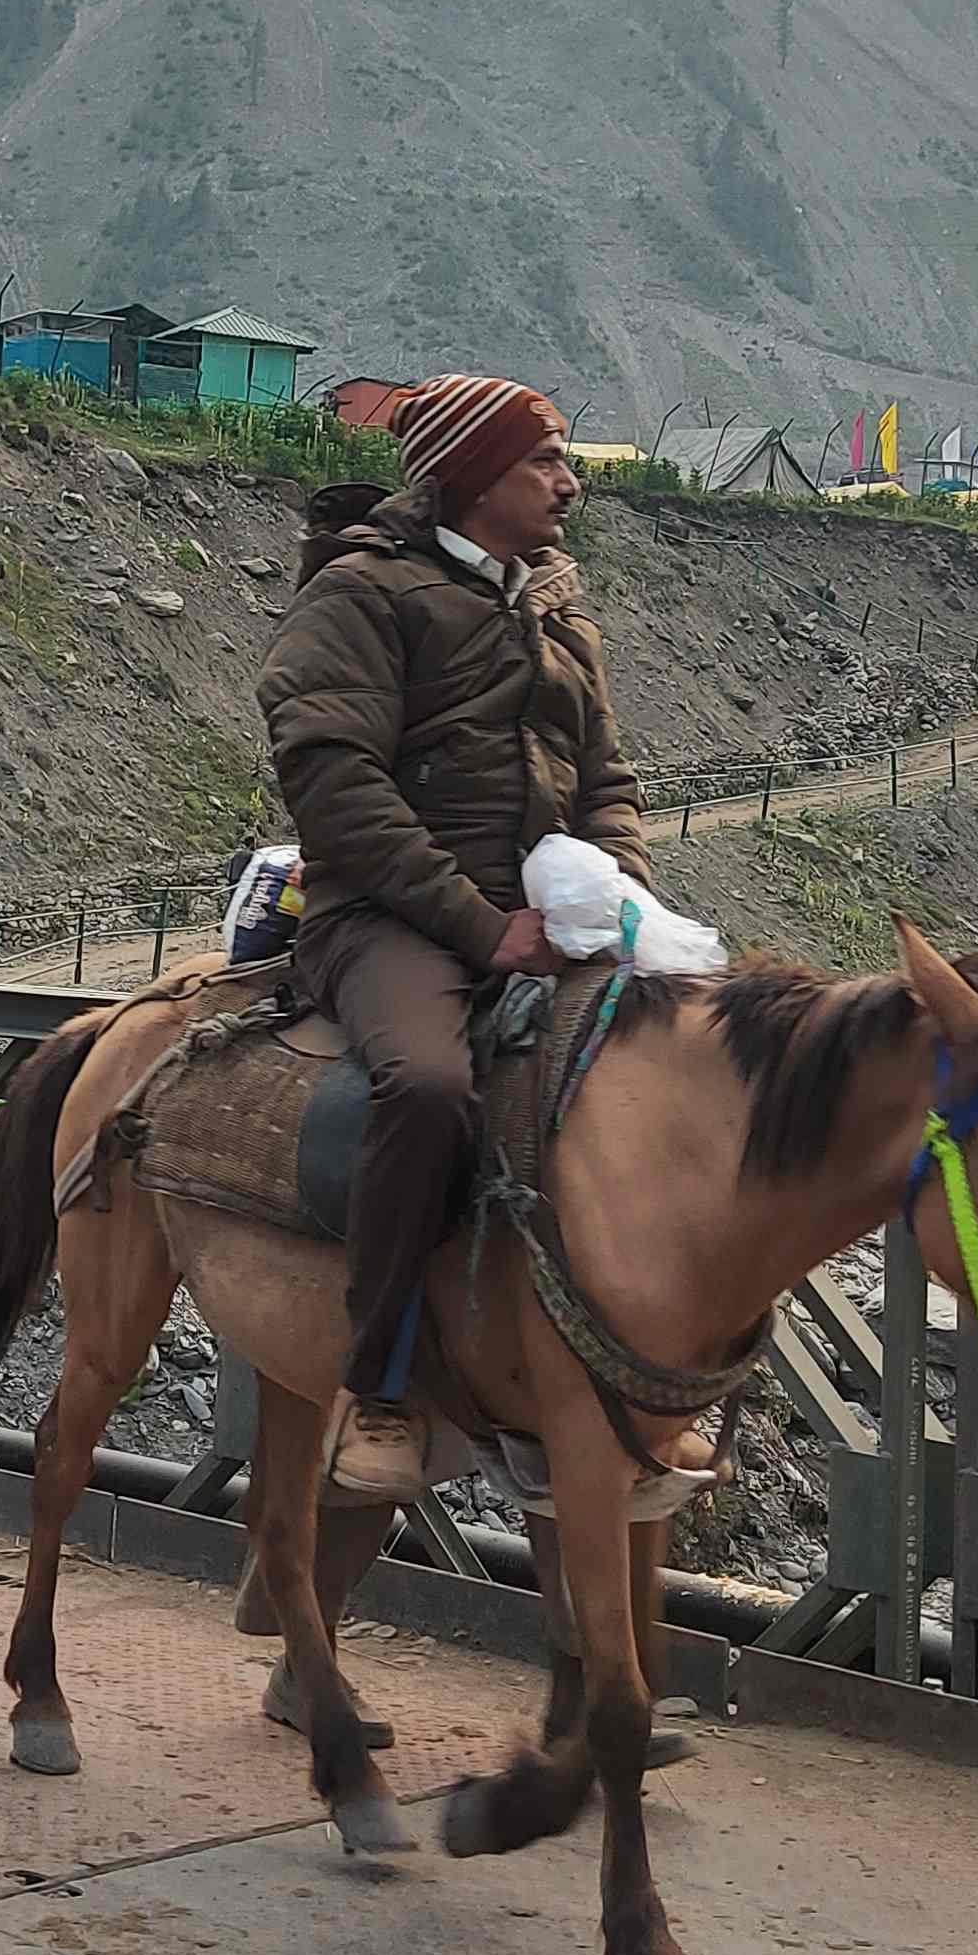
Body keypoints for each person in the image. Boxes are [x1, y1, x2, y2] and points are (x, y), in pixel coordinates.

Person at [255, 375, 652, 1502]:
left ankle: (603, 1386)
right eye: (544, 462)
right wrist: (484, 929)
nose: (568, 484)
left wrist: (618, 890)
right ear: (475, 477)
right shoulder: (359, 595)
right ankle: (377, 1383)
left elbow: (605, 778)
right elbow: (336, 787)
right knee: (429, 1087)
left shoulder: (557, 605)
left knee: (681, 1066)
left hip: (546, 918)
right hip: (387, 919)